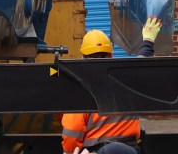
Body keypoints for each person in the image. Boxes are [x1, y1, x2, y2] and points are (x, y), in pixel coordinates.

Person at [61, 17, 162, 153]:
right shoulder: (126, 79)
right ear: (111, 55)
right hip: (129, 150)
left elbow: (72, 133)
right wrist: (148, 40)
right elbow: (141, 62)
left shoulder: (80, 90)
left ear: (83, 56)